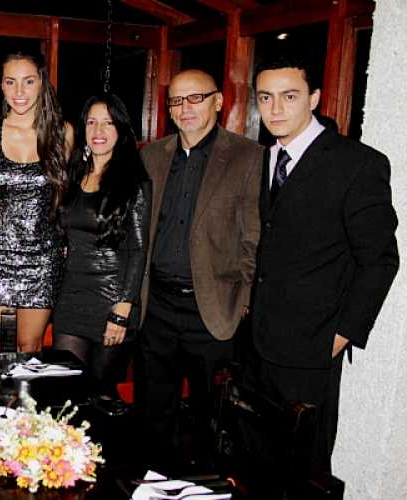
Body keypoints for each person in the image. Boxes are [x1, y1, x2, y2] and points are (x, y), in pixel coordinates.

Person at [248, 54, 398, 478]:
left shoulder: (357, 163)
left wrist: (342, 335)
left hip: (312, 346)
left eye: (290, 96)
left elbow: (380, 260)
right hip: (258, 342)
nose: (276, 109)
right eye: (266, 98)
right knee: (258, 461)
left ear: (314, 98)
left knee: (302, 468)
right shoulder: (265, 159)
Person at [135, 69, 263, 469]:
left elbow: (254, 240)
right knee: (154, 413)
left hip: (213, 310)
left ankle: (208, 487)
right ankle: (156, 483)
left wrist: (243, 303)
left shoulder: (249, 157)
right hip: (156, 307)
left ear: (218, 101)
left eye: (196, 98)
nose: (185, 108)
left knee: (213, 419)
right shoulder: (152, 156)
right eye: (176, 100)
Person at [0, 52, 73, 352]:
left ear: (41, 83)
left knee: (29, 346)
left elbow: (64, 199)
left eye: (28, 81)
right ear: (1, 85)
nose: (19, 91)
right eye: (10, 82)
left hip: (44, 259)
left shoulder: (63, 133)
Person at [53, 93, 150, 398]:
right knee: (66, 390)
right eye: (92, 122)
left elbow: (138, 250)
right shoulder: (74, 175)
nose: (98, 130)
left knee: (100, 394)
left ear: (120, 130)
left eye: (108, 123)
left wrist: (122, 310)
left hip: (111, 302)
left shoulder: (133, 181)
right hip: (70, 299)